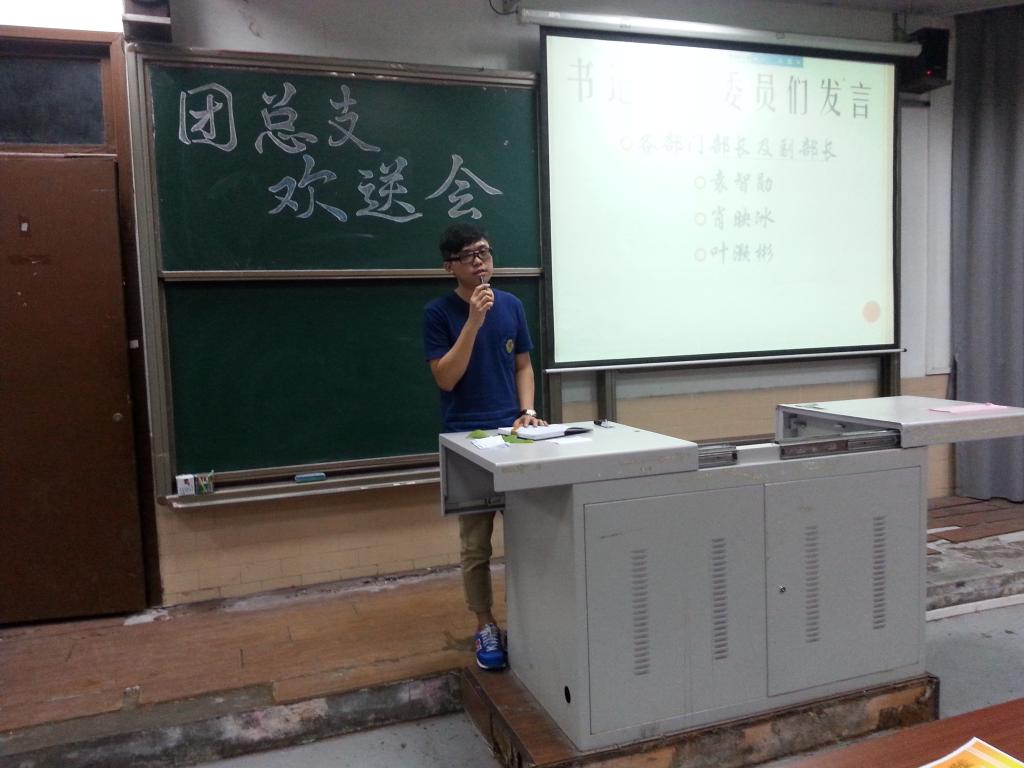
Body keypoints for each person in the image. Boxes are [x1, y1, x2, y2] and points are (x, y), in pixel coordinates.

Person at [423, 222, 546, 670]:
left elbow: (523, 365)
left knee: (529, 536)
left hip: (514, 435)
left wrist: (527, 410)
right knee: (476, 546)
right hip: (467, 439)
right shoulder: (438, 314)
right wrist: (473, 321)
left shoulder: (511, 305)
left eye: (485, 252)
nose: (480, 262)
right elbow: (445, 378)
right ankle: (485, 624)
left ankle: (533, 620)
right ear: (449, 266)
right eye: (469, 256)